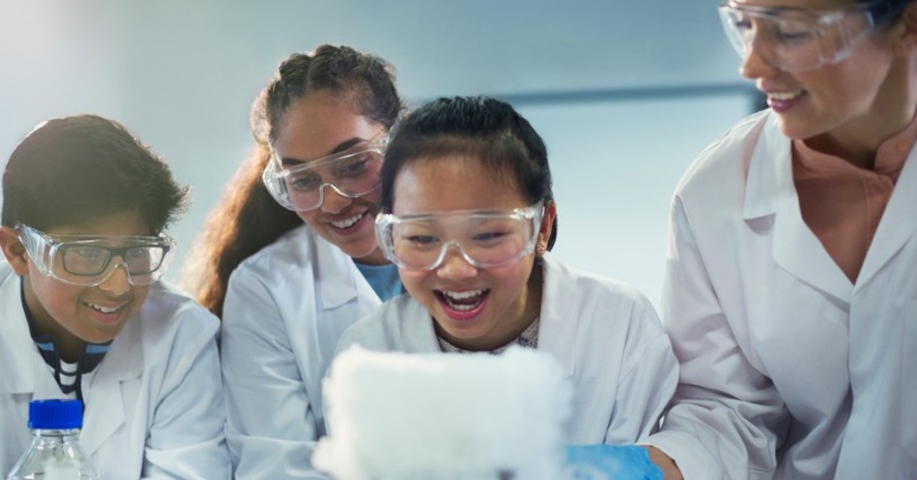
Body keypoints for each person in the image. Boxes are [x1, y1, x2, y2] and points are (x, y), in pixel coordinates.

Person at [640, 0, 917, 478]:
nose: (751, 64)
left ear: (907, 23)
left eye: (790, 32)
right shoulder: (715, 190)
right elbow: (727, 410)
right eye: (744, 25)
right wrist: (648, 470)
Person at [333, 96, 679, 451]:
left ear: (542, 226)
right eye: (422, 238)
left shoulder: (619, 327)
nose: (455, 269)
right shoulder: (367, 352)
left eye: (487, 236)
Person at [0, 114, 230, 479]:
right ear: (18, 252)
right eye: (85, 253)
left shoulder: (181, 337)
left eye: (136, 252)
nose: (118, 286)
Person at [182, 44, 403, 478]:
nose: (333, 200)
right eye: (303, 180)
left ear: (400, 142)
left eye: (355, 164)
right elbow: (276, 466)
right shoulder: (267, 287)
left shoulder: (473, 253)